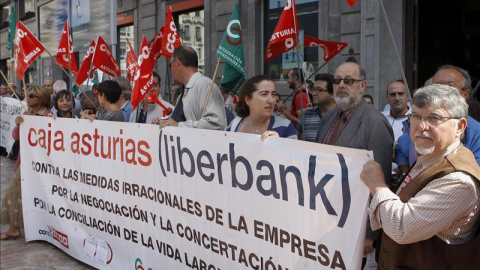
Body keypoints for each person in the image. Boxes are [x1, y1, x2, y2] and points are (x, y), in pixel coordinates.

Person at [360, 84, 480, 270]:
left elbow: (402, 227)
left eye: (435, 118)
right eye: (416, 116)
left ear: (460, 126)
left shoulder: (459, 180)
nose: (422, 126)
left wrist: (378, 185)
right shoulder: (430, 157)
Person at [316, 61, 394, 269]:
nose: (341, 85)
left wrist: (370, 233)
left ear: (362, 85)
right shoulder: (329, 117)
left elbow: (381, 181)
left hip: (356, 223)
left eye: (349, 81)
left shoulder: (375, 123)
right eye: (337, 80)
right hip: (325, 215)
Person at [1, 86, 52, 240]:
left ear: (41, 98)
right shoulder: (26, 114)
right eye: (28, 95)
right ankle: (13, 227)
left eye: (31, 96)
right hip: (25, 162)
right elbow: (16, 136)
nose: (27, 99)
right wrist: (19, 124)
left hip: (42, 164)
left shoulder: (49, 116)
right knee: (14, 192)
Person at [161, 46, 226, 130]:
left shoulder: (204, 84)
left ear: (177, 63)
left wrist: (179, 125)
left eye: (170, 65)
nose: (171, 70)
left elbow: (216, 123)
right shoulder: (185, 91)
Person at [227, 75, 297, 139]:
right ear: (248, 100)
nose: (271, 100)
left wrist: (278, 145)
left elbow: (294, 152)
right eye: (264, 94)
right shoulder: (235, 124)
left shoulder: (285, 127)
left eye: (273, 94)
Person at [296, 73, 336, 141]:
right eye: (313, 89)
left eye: (319, 90)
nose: (314, 93)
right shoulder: (306, 115)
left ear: (332, 94)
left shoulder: (342, 115)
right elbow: (296, 140)